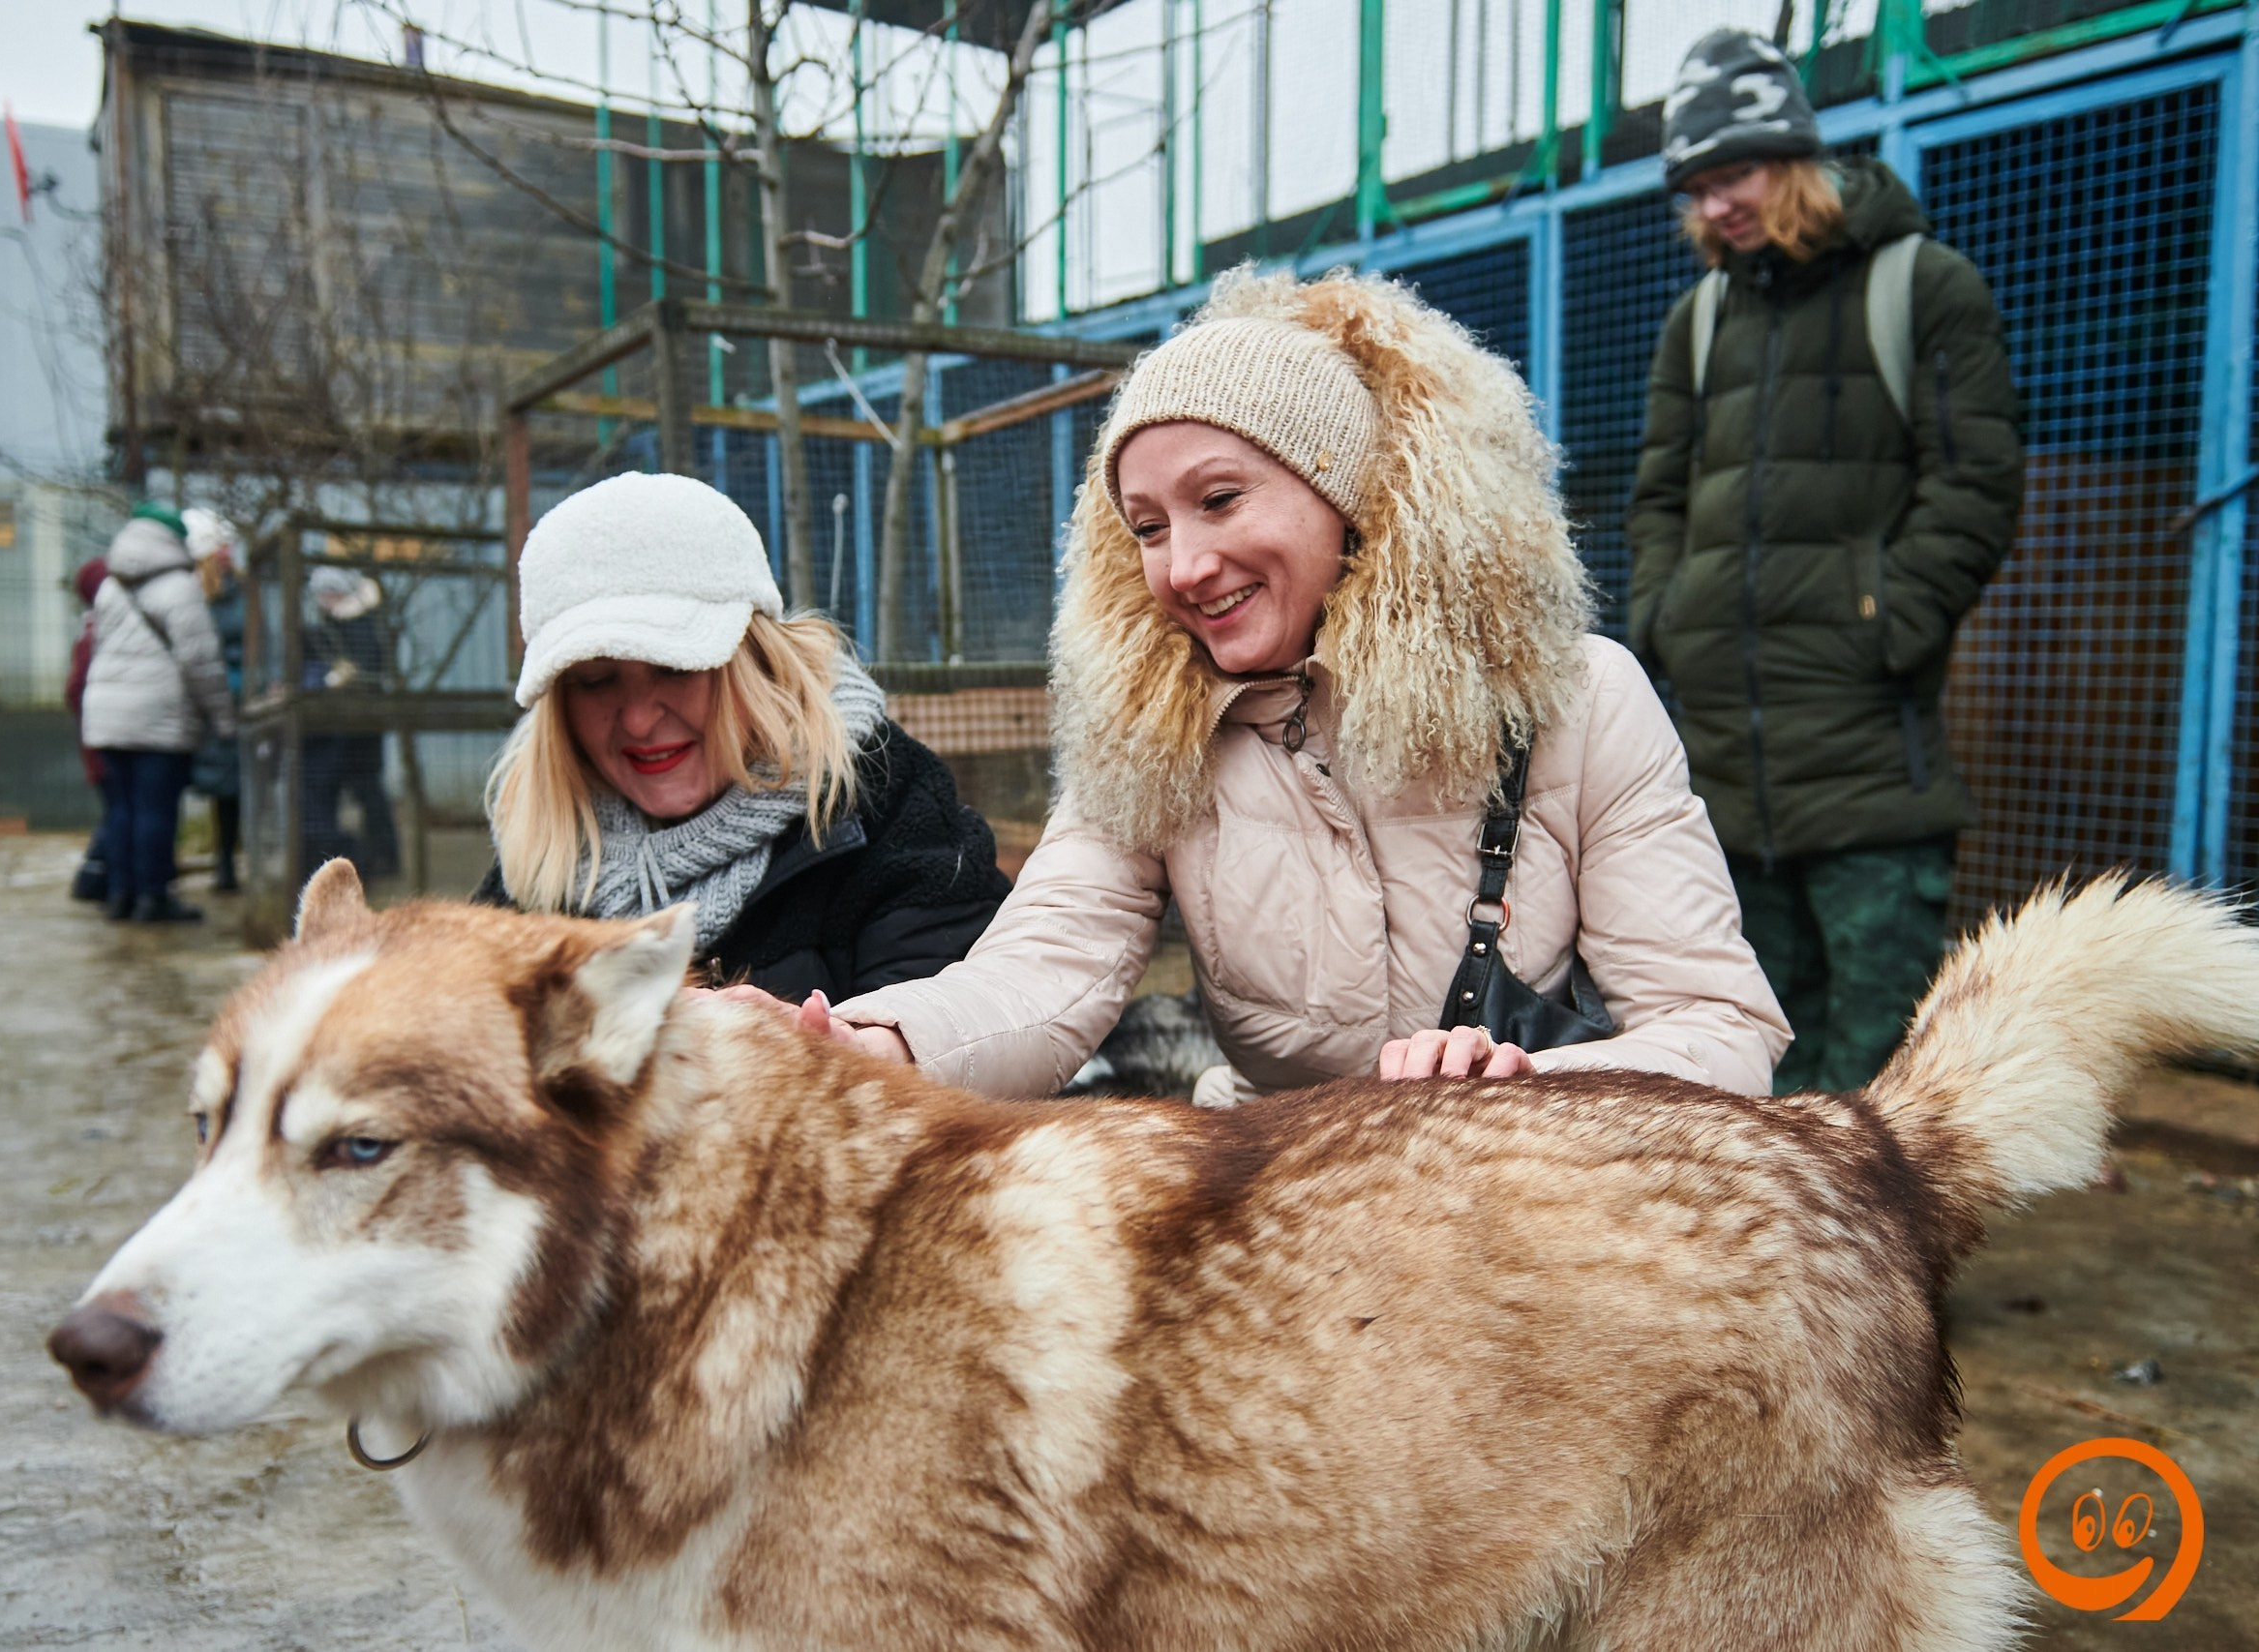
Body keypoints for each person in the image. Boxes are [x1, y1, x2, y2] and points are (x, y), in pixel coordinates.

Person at [777, 266, 1787, 1102]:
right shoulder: (1149, 733)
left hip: (1530, 1201)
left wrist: (1526, 1082)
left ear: (1343, 495)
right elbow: (1041, 970)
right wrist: (864, 1047)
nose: (1182, 566)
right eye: (1147, 526)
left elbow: (1718, 1028)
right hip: (1280, 1211)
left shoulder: (1577, 698)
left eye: (1219, 498)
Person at [1627, 30, 2021, 1094]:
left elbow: (1976, 484)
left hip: (1862, 755)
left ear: (1794, 159)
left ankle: (1889, 1266)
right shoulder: (1695, 324)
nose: (1716, 206)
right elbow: (1657, 496)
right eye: (1695, 188)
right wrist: (1669, 622)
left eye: (1735, 173)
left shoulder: (1921, 287)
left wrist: (1886, 620)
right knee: (1750, 1061)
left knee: (1887, 1076)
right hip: (1718, 757)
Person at [473, 471, 1012, 1002]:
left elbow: (952, 1053)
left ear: (755, 659)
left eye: (675, 668)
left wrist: (774, 1054)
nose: (637, 720)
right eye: (593, 681)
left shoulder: (887, 808)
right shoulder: (539, 846)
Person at [78, 502, 236, 923]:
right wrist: (223, 717)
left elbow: (97, 648)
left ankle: (120, 896)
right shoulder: (180, 587)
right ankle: (153, 898)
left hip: (106, 714)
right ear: (171, 541)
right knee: (156, 810)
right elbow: (200, 661)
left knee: (121, 810)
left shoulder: (110, 587)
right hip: (157, 717)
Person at [299, 566, 402, 882]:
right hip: (345, 726)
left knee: (369, 791)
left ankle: (382, 857)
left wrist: (339, 679)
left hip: (361, 725)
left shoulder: (360, 624)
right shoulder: (337, 624)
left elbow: (365, 669)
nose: (321, 600)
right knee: (364, 791)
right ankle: (373, 857)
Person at [186, 509, 244, 894]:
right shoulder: (195, 594)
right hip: (211, 703)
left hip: (241, 700)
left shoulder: (243, 590)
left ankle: (229, 860)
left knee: (237, 788)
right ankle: (224, 861)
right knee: (223, 788)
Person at [61, 556, 113, 904]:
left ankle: (104, 883)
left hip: (100, 737)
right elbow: (74, 690)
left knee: (117, 812)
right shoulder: (96, 634)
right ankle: (96, 882)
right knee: (118, 813)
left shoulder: (92, 630)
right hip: (104, 741)